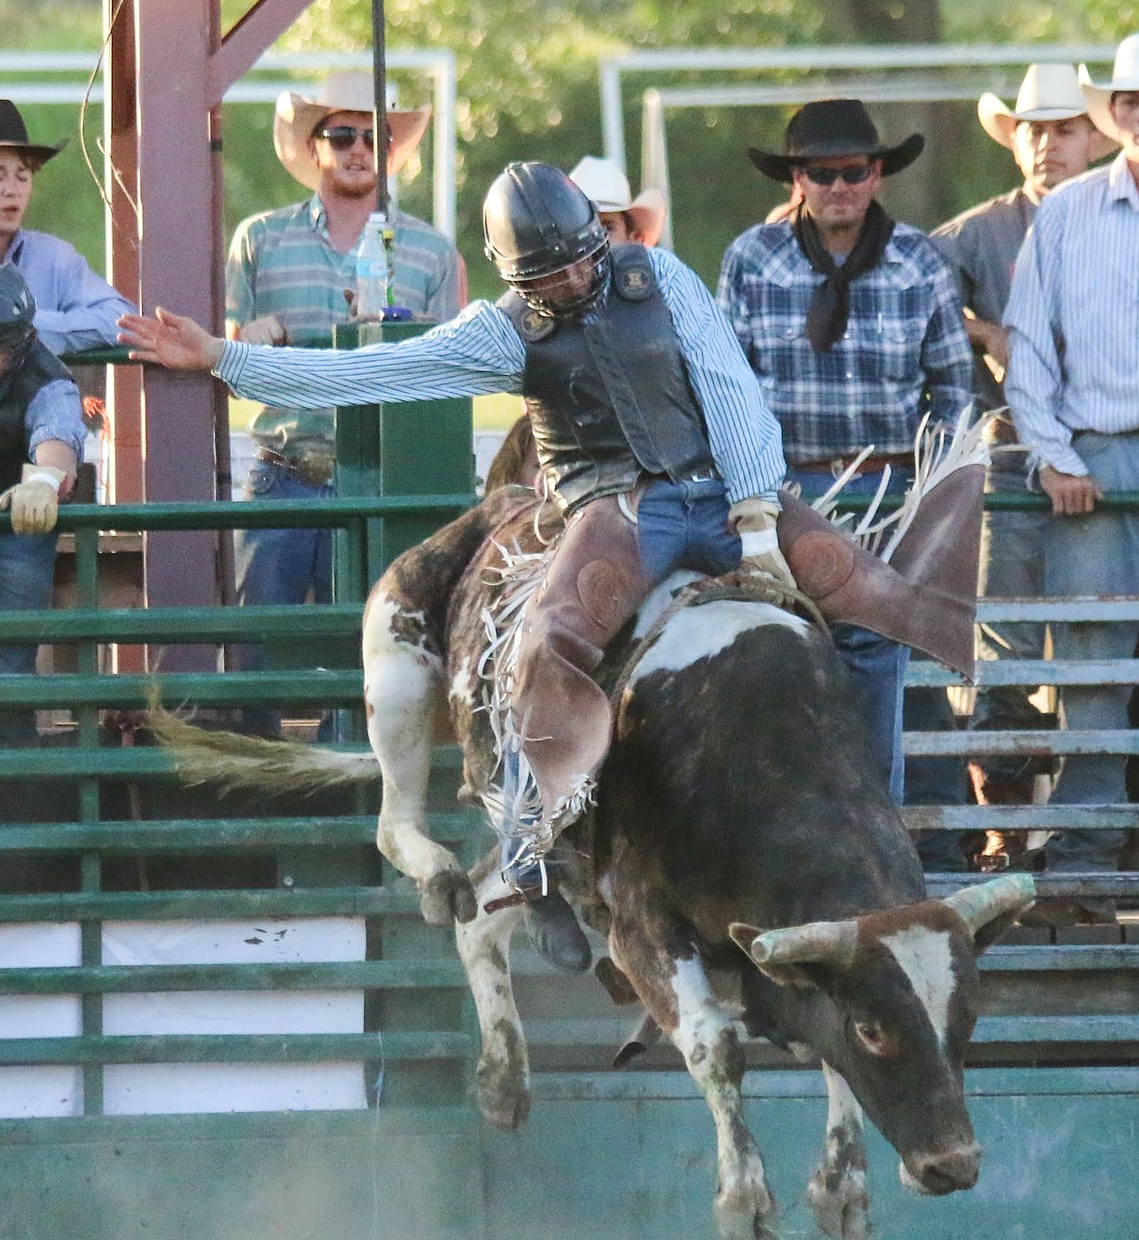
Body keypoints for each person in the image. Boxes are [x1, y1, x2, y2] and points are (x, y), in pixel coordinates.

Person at [120, 162, 969, 969]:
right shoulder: (501, 330)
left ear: (597, 240)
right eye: (546, 275)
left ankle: (871, 811)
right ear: (513, 274)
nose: (568, 282)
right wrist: (228, 358)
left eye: (578, 260)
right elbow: (374, 370)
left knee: (876, 607)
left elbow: (729, 388)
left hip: (722, 490)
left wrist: (755, 516)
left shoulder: (660, 278)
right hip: (615, 512)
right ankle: (528, 856)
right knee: (544, 647)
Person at [717, 97, 975, 861]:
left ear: (877, 175)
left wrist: (934, 495)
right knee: (778, 660)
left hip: (893, 488)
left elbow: (955, 389)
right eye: (820, 172)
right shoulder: (751, 258)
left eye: (853, 171)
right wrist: (752, 496)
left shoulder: (921, 261)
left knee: (894, 667)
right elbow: (726, 386)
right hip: (786, 491)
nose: (838, 186)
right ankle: (785, 852)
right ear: (797, 178)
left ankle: (893, 850)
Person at [228, 71, 465, 732]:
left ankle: (360, 795)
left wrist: (393, 328)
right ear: (315, 146)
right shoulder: (260, 240)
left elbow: (455, 368)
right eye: (343, 133)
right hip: (284, 466)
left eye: (375, 136)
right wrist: (245, 341)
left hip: (382, 473)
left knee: (377, 651)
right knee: (256, 645)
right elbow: (226, 358)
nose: (360, 147)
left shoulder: (431, 251)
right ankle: (258, 793)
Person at [933, 65, 1112, 867]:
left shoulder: (1112, 219)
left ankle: (1100, 827)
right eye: (1034, 131)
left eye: (1063, 129)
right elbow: (914, 288)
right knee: (1003, 640)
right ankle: (1000, 831)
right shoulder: (980, 232)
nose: (1048, 145)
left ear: (1093, 137)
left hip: (1104, 452)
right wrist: (987, 334)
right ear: (1017, 143)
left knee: (1102, 635)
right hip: (1011, 454)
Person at [1003, 33, 1139, 921]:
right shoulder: (1067, 215)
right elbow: (1027, 351)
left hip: (1099, 452)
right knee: (1092, 662)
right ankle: (1086, 856)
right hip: (1102, 452)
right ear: (1123, 115)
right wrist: (1055, 455)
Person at [483, 157, 666, 496]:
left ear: (636, 238)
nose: (590, 242)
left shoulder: (666, 304)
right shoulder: (524, 317)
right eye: (579, 228)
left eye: (606, 228)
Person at [0, 260, 86, 736]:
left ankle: (11, 791)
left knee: (8, 661)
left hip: (14, 526)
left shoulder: (46, 377)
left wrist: (43, 479)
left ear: (21, 340)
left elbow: (57, 429)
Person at [0, 99, 127, 355]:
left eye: (23, 176)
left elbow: (121, 318)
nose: (13, 190)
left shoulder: (54, 258)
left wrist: (28, 326)